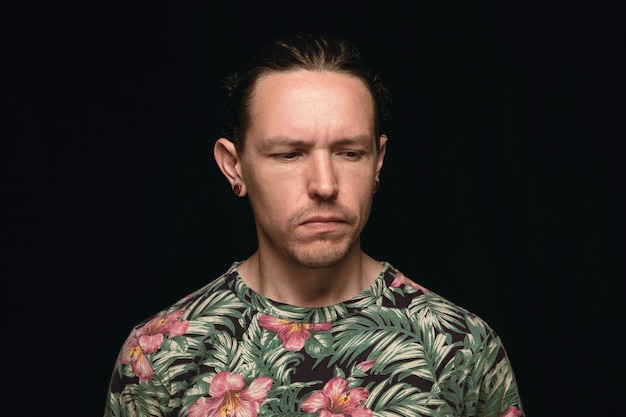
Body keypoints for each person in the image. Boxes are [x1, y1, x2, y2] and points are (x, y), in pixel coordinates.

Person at [104, 33, 525, 417]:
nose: (324, 184)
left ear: (379, 162)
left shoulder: (461, 346)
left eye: (349, 153)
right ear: (234, 167)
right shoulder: (161, 354)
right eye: (289, 154)